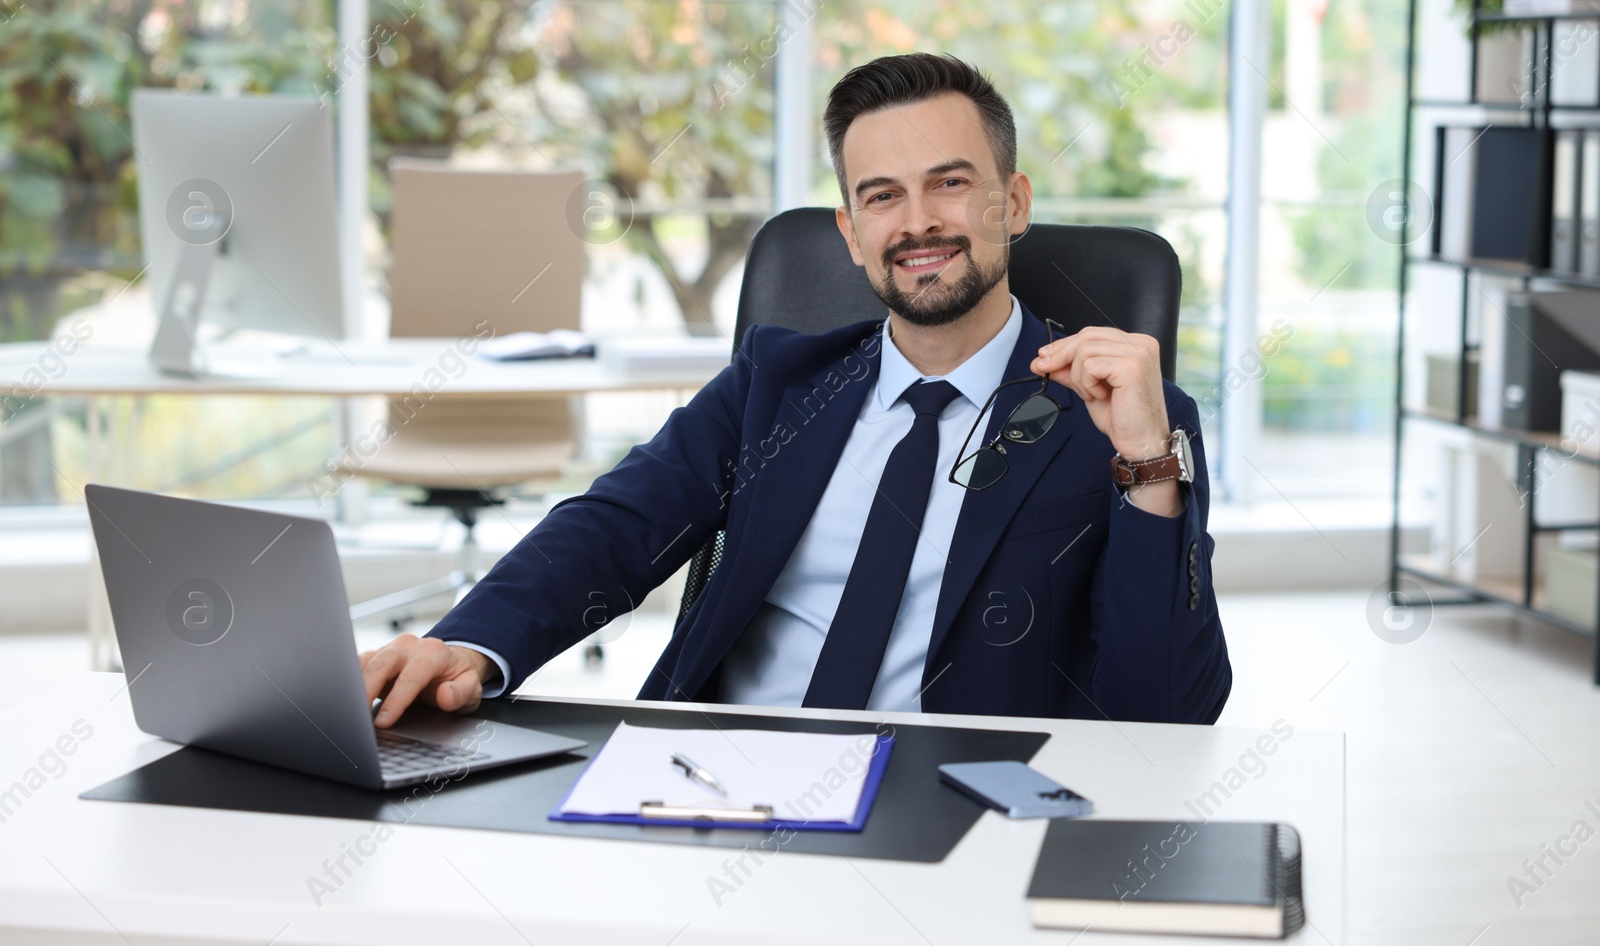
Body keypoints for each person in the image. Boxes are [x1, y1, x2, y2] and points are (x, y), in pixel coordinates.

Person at [360, 52, 1230, 727]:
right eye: (882, 196)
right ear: (851, 234)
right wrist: (466, 645)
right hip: (711, 783)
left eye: (951, 184)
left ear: (1014, 202)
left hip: (951, 807)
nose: (918, 221)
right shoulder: (778, 383)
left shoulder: (1119, 419)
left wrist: (1147, 467)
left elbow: (1167, 711)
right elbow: (613, 527)